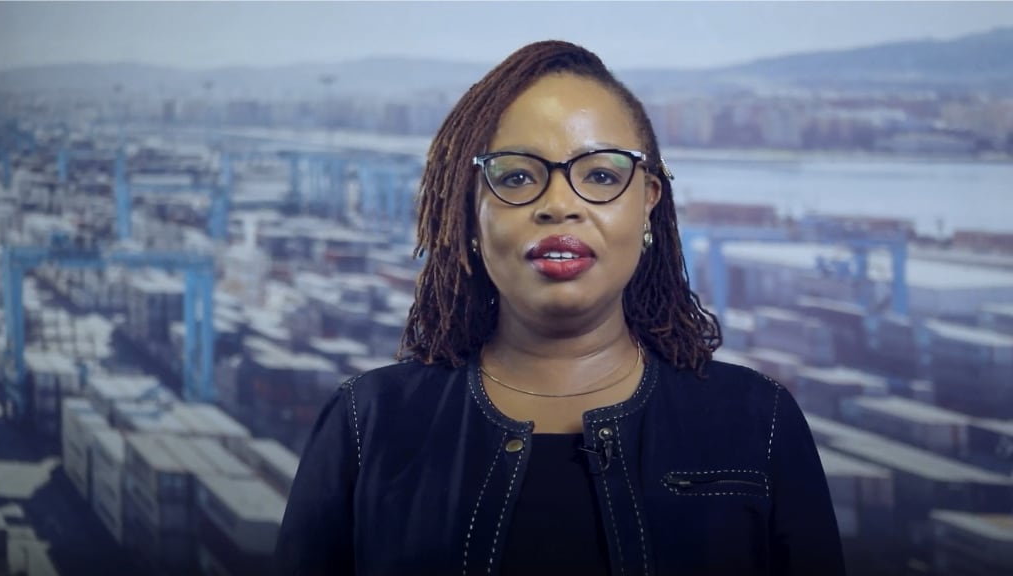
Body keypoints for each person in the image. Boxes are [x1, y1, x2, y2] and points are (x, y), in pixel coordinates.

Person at [275, 40, 846, 576]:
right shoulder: (365, 424)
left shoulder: (759, 423)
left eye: (600, 174)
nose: (559, 205)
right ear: (471, 212)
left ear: (648, 203)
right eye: (518, 176)